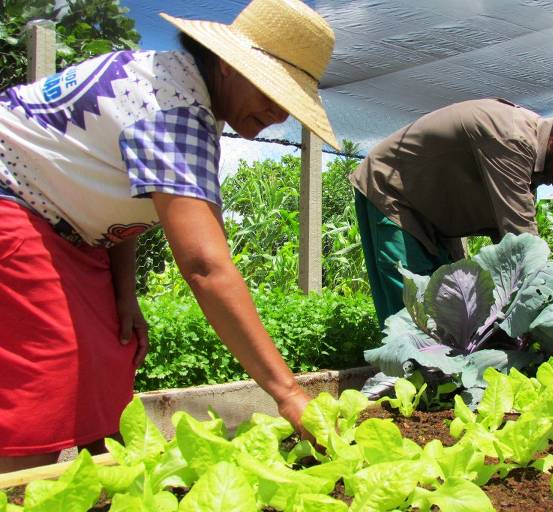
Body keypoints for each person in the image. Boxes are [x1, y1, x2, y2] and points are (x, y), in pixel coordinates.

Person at [0, 0, 338, 472]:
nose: (279, 113)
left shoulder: (174, 88)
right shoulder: (173, 111)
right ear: (227, 63)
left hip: (71, 232)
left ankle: (112, 490)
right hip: (15, 208)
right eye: (271, 89)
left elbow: (122, 194)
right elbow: (205, 266)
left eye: (290, 101)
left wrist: (124, 293)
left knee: (109, 363)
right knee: (46, 380)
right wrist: (288, 394)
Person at [349, 99, 553, 328]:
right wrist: (552, 303)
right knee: (411, 303)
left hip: (436, 214)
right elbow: (522, 239)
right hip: (395, 192)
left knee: (447, 303)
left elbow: (508, 243)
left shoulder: (531, 161)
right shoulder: (513, 138)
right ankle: (411, 367)